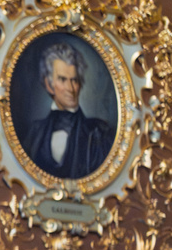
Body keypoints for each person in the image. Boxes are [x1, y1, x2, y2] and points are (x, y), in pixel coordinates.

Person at [22, 41, 114, 179]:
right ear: (48, 85)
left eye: (74, 80)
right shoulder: (34, 133)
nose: (71, 89)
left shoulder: (99, 133)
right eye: (62, 79)